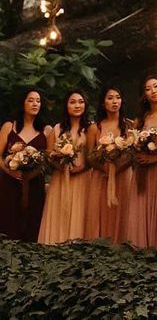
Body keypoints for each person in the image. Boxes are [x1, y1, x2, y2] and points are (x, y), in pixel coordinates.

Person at [124, 73, 157, 250]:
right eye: (148, 89)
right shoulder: (141, 119)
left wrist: (156, 158)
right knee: (143, 206)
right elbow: (132, 144)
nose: (153, 91)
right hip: (144, 169)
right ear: (143, 94)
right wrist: (138, 151)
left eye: (156, 86)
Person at [38, 90, 93, 244]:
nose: (77, 105)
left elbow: (93, 156)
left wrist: (82, 167)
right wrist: (61, 166)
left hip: (83, 179)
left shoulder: (90, 129)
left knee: (81, 215)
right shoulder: (56, 129)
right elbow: (49, 155)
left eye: (81, 102)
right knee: (60, 215)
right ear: (66, 105)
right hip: (61, 180)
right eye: (73, 102)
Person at [85, 86, 133, 244]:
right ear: (102, 103)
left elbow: (133, 153)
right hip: (101, 177)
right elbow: (89, 156)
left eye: (118, 97)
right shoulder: (95, 127)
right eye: (110, 98)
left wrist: (118, 168)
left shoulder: (128, 125)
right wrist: (103, 167)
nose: (115, 101)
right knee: (100, 212)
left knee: (122, 210)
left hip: (123, 175)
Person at [0, 88, 48, 241]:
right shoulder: (9, 126)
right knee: (8, 222)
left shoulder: (46, 130)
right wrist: (10, 171)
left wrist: (35, 171)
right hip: (10, 183)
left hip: (35, 184)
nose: (35, 104)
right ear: (23, 103)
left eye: (38, 101)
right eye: (31, 100)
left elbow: (47, 159)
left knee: (33, 222)